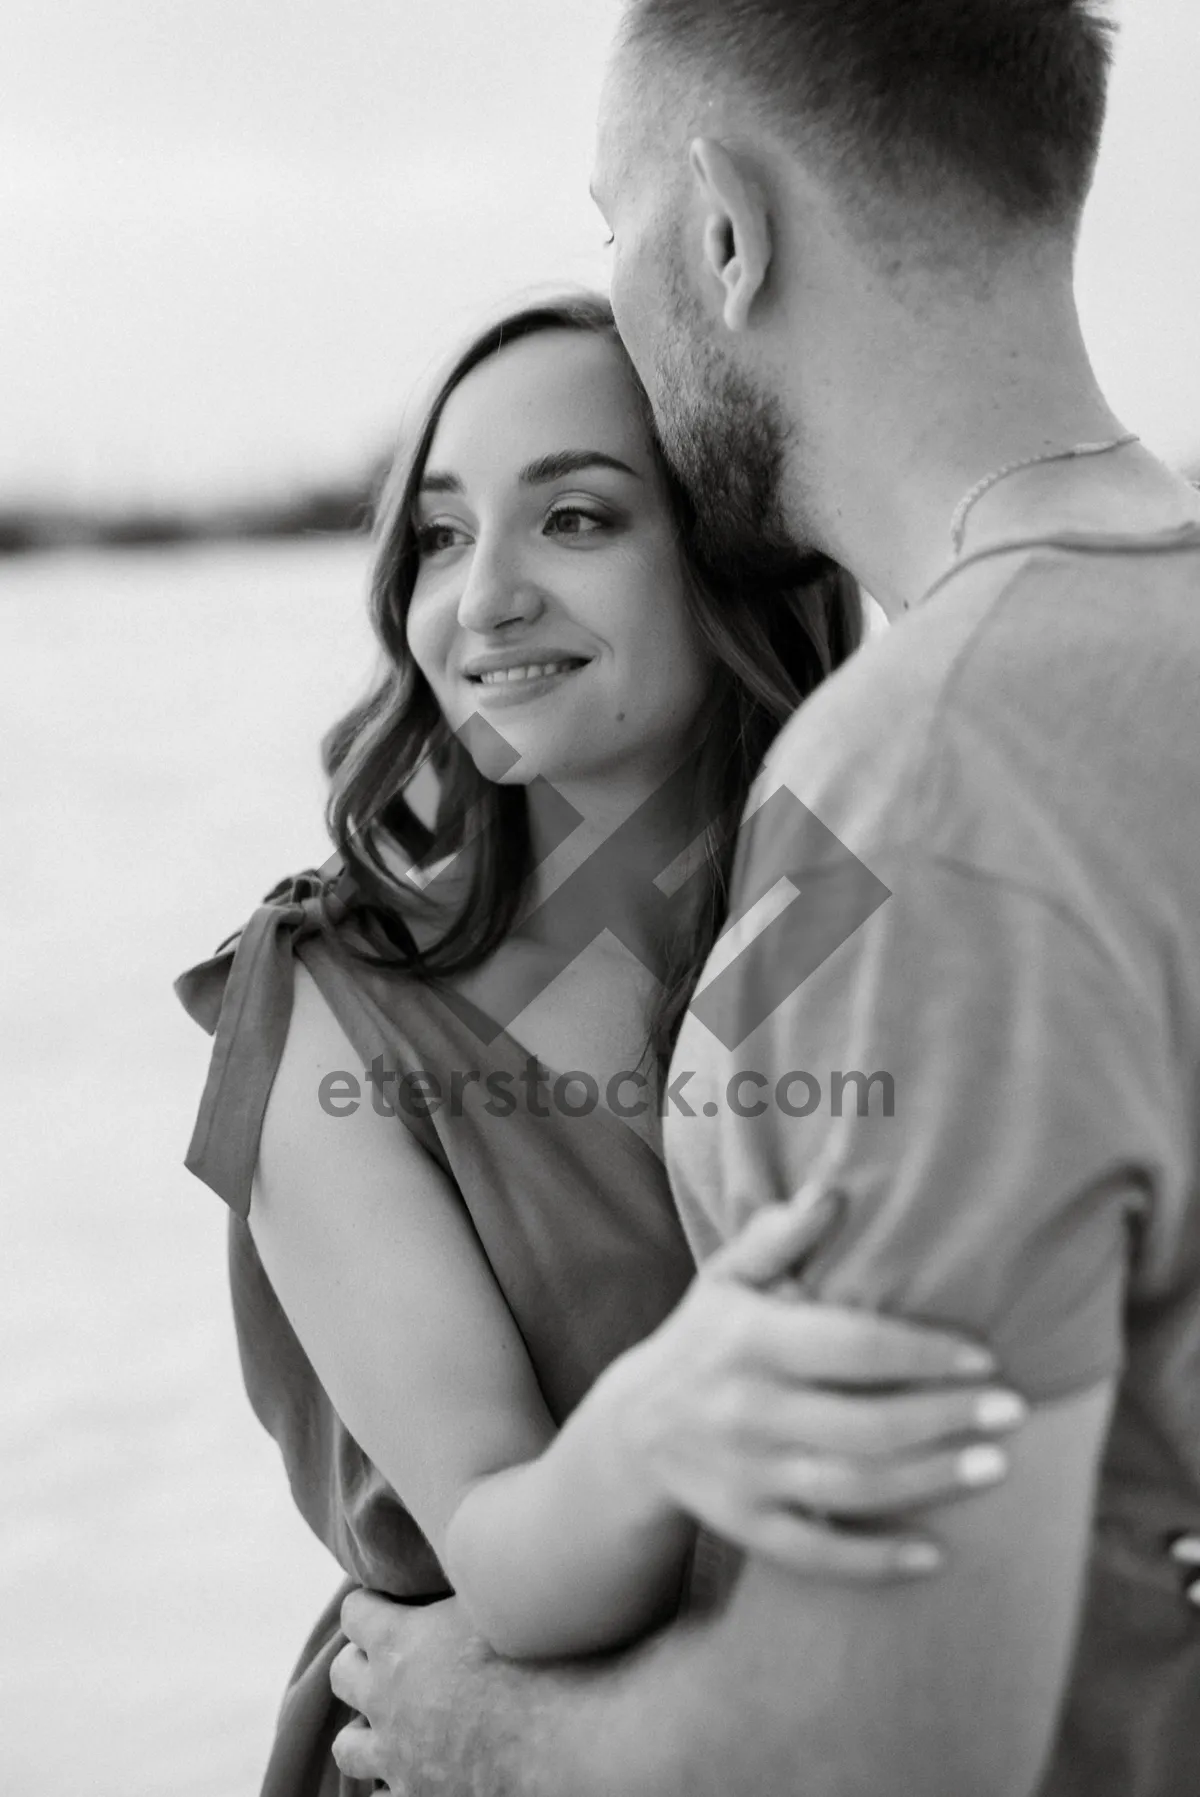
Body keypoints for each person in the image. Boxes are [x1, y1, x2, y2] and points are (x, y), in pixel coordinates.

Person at [329, 4, 1200, 1795]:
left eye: (611, 232)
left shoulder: (928, 785)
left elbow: (888, 1754)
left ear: (721, 232)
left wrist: (482, 1730)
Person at [176, 297, 1020, 1794]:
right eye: (439, 537)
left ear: (729, 565)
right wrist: (666, 1418)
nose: (485, 596)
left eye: (572, 517)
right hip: (477, 1750)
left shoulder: (888, 908)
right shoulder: (331, 999)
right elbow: (510, 1560)